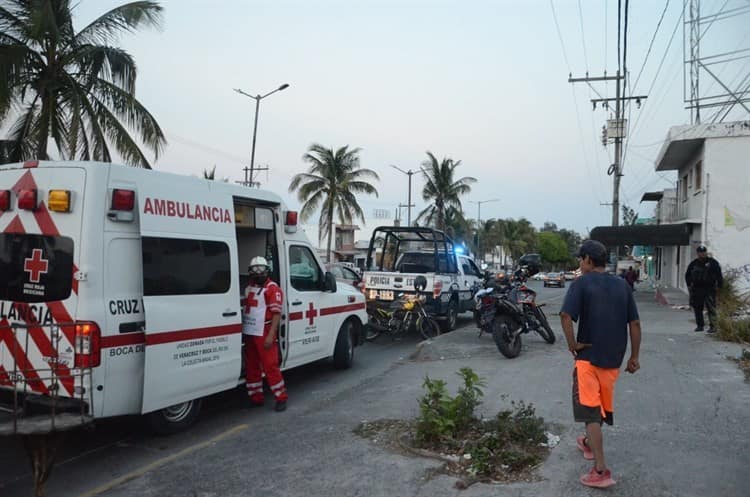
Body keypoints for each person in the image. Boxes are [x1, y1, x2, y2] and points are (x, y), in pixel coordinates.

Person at [560, 240, 642, 488]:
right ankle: (587, 443)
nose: (579, 263)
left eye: (580, 259)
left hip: (588, 357)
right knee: (600, 407)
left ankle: (600, 470)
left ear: (587, 260)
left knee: (590, 411)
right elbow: (635, 325)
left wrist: (573, 344)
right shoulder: (622, 285)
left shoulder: (581, 283)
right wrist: (634, 357)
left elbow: (565, 316)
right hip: (613, 359)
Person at [242, 256, 288, 412]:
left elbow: (276, 314)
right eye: (255, 270)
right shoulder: (250, 287)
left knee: (270, 366)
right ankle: (256, 397)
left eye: (261, 269)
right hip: (250, 331)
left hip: (265, 330)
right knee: (251, 366)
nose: (258, 273)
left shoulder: (272, 288)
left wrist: (271, 335)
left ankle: (281, 397)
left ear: (267, 270)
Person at [685, 245, 723, 333]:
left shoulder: (712, 262)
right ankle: (700, 325)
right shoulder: (694, 263)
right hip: (697, 289)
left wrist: (720, 286)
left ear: (706, 252)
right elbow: (687, 275)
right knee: (698, 308)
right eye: (700, 252)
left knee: (711, 308)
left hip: (709, 288)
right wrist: (689, 285)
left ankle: (713, 326)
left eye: (704, 252)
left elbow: (718, 274)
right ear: (697, 253)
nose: (702, 254)